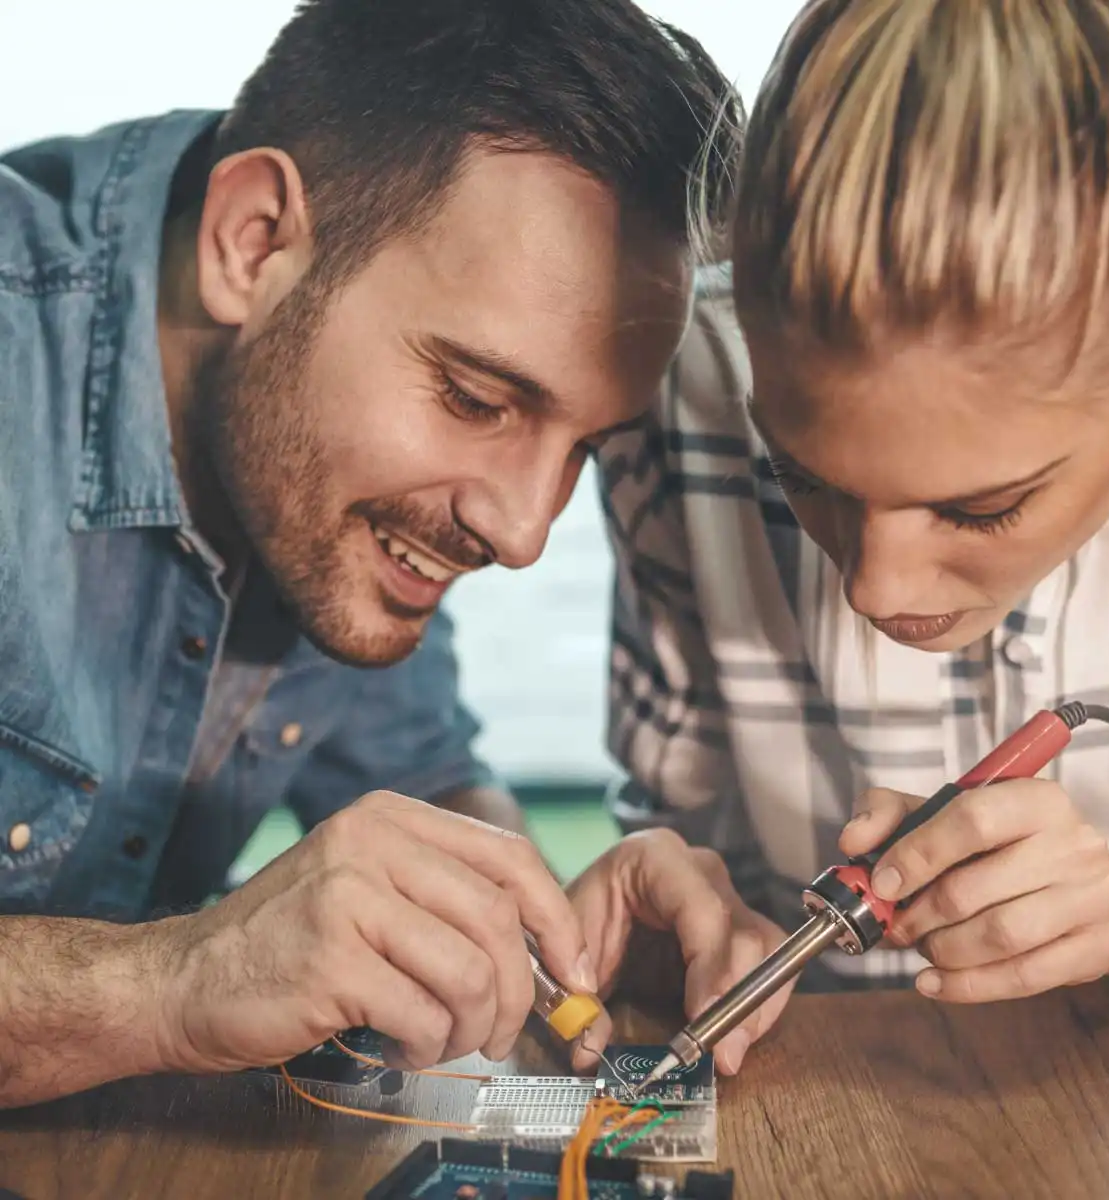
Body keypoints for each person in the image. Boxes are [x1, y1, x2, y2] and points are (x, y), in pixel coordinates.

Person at [0, 0, 783, 1109]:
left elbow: (420, 776)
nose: (521, 532)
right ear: (254, 241)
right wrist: (175, 985)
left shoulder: (327, 488)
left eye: (585, 451)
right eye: (475, 398)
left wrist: (558, 940)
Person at [598, 0, 1109, 1036]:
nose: (875, 588)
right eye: (801, 474)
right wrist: (665, 926)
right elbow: (671, 913)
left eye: (982, 510)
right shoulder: (680, 395)